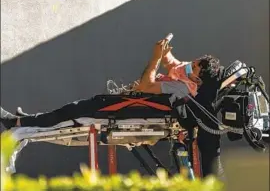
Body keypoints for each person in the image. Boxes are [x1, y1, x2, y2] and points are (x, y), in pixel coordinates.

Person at [1, 37, 223, 177]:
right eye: (192, 63)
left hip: (124, 108)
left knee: (71, 112)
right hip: (127, 104)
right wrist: (165, 52)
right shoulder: (190, 84)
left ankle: (18, 124)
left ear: (199, 80)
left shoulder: (182, 89)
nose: (186, 67)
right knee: (68, 112)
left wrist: (155, 58)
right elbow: (174, 64)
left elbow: (147, 84)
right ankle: (28, 121)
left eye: (192, 68)